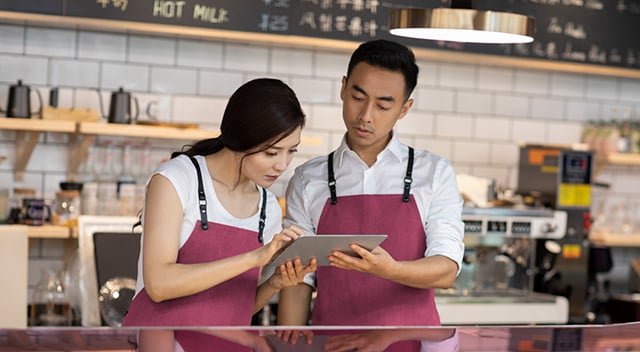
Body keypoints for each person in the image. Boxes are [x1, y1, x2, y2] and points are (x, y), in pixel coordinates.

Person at [278, 39, 464, 326]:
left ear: (404, 108)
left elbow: (446, 269)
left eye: (383, 105)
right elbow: (298, 278)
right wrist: (289, 344)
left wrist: (390, 270)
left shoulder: (434, 172)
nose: (366, 116)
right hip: (332, 343)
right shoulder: (307, 178)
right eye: (358, 97)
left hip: (413, 344)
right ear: (343, 88)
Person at [121, 78, 317, 327]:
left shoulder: (267, 208)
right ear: (242, 137)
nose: (282, 165)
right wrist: (254, 258)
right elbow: (159, 284)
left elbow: (237, 306)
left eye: (292, 151)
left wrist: (274, 283)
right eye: (271, 152)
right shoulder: (176, 179)